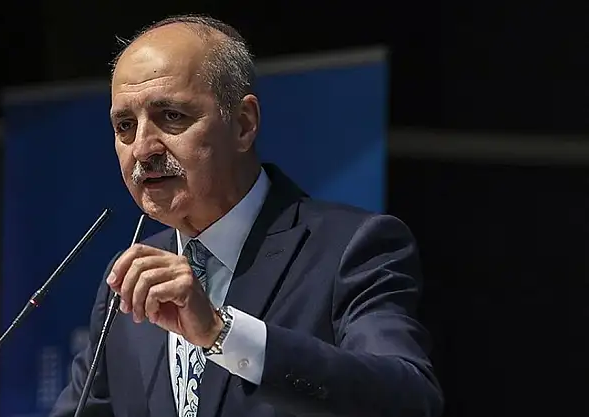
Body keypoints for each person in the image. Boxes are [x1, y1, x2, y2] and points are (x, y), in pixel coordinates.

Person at [50, 14, 443, 417]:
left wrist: (221, 332)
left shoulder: (351, 249)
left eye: (172, 116)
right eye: (125, 126)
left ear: (243, 124)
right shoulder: (128, 282)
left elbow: (409, 401)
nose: (143, 148)